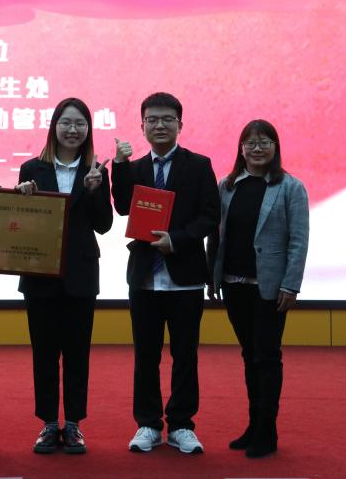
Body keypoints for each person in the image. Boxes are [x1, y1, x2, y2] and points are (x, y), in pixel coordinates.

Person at [111, 92, 220, 455]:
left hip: (185, 277)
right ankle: (147, 423)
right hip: (144, 278)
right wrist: (119, 165)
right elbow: (122, 207)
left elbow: (210, 217)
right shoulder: (135, 168)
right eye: (152, 120)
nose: (159, 125)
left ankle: (182, 425)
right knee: (146, 355)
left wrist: (178, 239)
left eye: (167, 119)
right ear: (142, 126)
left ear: (180, 124)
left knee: (185, 355)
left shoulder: (199, 165)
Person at [14, 97, 113, 455]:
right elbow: (19, 224)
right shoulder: (31, 169)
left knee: (76, 353)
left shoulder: (96, 170)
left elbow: (104, 225)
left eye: (80, 124)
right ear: (54, 126)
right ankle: (47, 423)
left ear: (88, 130)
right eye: (66, 123)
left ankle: (73, 424)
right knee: (43, 353)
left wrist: (95, 191)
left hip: (81, 274)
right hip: (40, 273)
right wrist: (21, 199)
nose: (73, 130)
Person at [207, 119, 309, 458]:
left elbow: (298, 241)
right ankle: (253, 425)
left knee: (267, 356)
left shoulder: (291, 187)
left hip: (270, 288)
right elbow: (216, 236)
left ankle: (268, 430)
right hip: (234, 284)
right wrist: (213, 276)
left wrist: (291, 284)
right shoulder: (227, 186)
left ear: (275, 147)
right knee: (249, 355)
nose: (257, 148)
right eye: (250, 142)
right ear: (241, 148)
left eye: (265, 141)